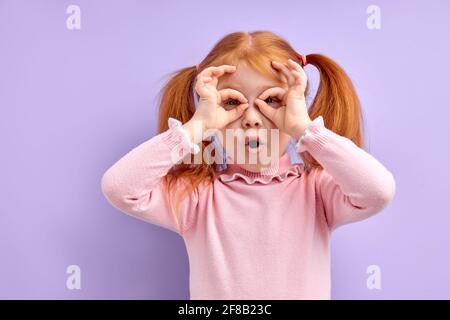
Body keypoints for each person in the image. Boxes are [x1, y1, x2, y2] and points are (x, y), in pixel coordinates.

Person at [101, 31, 396, 300]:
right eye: (231, 103)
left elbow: (378, 191)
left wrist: (304, 128)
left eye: (272, 100)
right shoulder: (197, 197)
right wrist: (196, 126)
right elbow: (119, 188)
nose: (252, 118)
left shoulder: (317, 191)